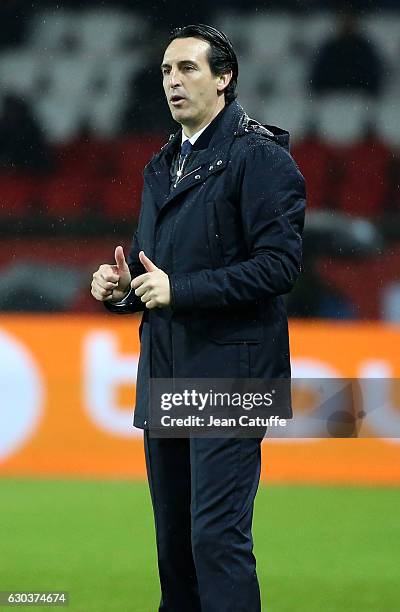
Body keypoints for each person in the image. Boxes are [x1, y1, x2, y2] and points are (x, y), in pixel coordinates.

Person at [91, 24, 306, 612]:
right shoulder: (162, 164)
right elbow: (150, 269)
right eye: (165, 71)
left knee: (215, 539)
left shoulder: (261, 159)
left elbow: (279, 267)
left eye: (187, 68)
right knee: (176, 548)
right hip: (168, 369)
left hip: (231, 374)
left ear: (224, 78)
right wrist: (119, 289)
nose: (172, 82)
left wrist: (178, 289)